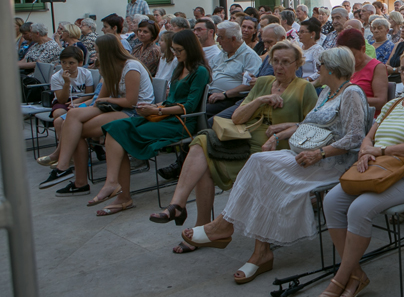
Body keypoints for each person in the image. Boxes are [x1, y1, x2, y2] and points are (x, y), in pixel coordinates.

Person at [161, 47, 370, 284]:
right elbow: (307, 125)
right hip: (308, 155)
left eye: (320, 65)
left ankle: (238, 237)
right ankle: (237, 234)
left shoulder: (351, 93)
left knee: (267, 173)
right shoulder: (327, 93)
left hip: (332, 162)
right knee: (259, 161)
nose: (316, 69)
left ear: (332, 69)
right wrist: (277, 137)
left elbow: (355, 138)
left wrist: (320, 153)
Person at [315, 48, 404, 297]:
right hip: (377, 170)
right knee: (331, 201)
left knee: (359, 208)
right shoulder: (393, 104)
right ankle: (356, 274)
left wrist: (381, 151)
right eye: (403, 68)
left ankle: (341, 278)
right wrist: (366, 151)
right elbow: (369, 137)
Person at [174, 41, 318, 253]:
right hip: (244, 143)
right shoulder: (264, 82)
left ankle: (217, 227)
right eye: (275, 61)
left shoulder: (305, 88)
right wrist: (260, 100)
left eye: (286, 62)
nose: (279, 66)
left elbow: (313, 126)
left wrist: (285, 127)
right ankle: (182, 208)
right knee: (203, 143)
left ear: (297, 63)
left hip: (276, 149)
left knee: (216, 158)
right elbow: (237, 118)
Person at [93, 31, 211, 215]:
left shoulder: (200, 71)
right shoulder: (180, 67)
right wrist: (153, 106)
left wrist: (157, 111)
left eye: (179, 50)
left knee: (120, 134)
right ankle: (113, 184)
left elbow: (189, 107)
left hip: (181, 123)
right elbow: (170, 100)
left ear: (190, 49)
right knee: (115, 128)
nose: (175, 54)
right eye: (174, 50)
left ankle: (121, 195)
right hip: (165, 115)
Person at [40, 35, 156, 196]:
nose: (96, 55)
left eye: (98, 52)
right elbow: (100, 99)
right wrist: (86, 110)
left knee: (76, 132)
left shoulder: (131, 67)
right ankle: (64, 167)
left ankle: (72, 176)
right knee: (72, 116)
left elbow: (130, 102)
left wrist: (105, 101)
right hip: (115, 107)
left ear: (108, 52)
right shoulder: (111, 67)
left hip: (136, 112)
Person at [205, 21, 263, 117]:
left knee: (203, 112)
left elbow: (249, 84)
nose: (217, 41)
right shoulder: (223, 52)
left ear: (233, 39)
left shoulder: (250, 56)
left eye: (221, 37)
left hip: (230, 98)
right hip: (209, 94)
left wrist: (225, 94)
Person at [339, 29, 388, 115]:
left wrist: (351, 99)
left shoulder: (377, 68)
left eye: (352, 55)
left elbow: (381, 101)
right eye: (344, 56)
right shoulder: (343, 66)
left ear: (363, 49)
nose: (348, 59)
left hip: (366, 116)